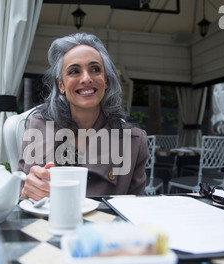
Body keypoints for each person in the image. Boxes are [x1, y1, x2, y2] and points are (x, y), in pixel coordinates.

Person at [18, 33, 147, 200]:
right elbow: (19, 195)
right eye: (74, 71)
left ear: (106, 81)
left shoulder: (134, 141)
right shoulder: (37, 127)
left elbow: (136, 209)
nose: (86, 78)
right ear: (61, 85)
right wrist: (25, 192)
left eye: (95, 69)